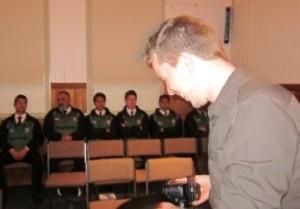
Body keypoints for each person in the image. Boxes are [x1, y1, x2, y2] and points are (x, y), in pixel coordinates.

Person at [144, 15, 300, 209]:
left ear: (186, 62)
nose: (169, 91)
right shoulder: (233, 104)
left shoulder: (257, 108)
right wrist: (217, 185)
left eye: (165, 77)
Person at [0, 95, 44, 203]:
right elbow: (1, 140)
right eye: (19, 102)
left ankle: (36, 194)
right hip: (10, 152)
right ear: (14, 105)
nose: (22, 105)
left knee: (38, 162)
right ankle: (2, 195)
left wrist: (26, 149)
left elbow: (39, 139)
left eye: (24, 103)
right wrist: (11, 150)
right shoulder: (6, 122)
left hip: (28, 152)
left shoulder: (34, 122)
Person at [43, 91, 86, 196]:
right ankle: (60, 184)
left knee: (82, 161)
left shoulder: (78, 113)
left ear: (69, 100)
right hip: (58, 148)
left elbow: (84, 129)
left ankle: (73, 183)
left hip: (74, 147)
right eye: (58, 100)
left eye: (63, 99)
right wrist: (60, 137)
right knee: (48, 160)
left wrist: (72, 137)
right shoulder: (51, 114)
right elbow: (46, 130)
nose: (60, 102)